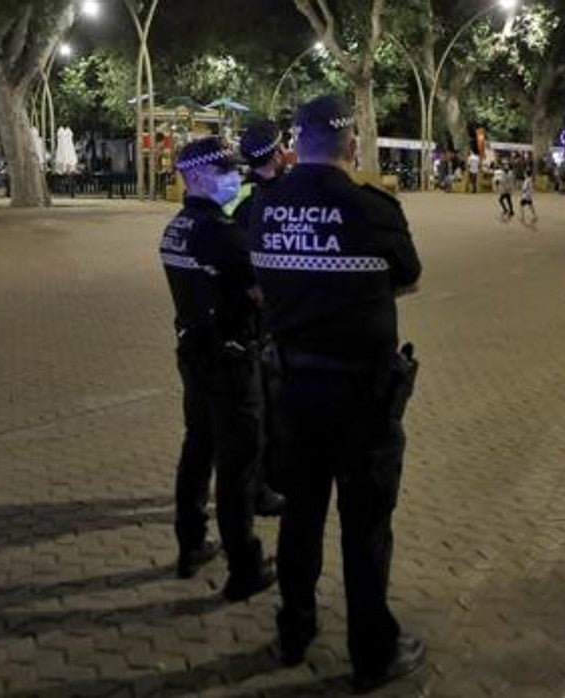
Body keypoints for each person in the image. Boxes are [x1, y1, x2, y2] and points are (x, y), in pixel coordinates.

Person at [247, 95, 425, 692]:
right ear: (351, 144)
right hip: (362, 400)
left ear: (297, 143)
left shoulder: (264, 206)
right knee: (365, 526)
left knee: (300, 517)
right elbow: (409, 277)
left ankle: (294, 630)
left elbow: (260, 283)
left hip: (294, 391)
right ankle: (371, 650)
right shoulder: (371, 208)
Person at [158, 136, 277, 600]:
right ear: (200, 177)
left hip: (193, 354)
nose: (235, 178)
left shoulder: (176, 228)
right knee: (238, 465)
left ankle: (191, 544)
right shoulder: (222, 234)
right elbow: (260, 293)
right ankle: (243, 565)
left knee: (197, 450)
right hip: (230, 360)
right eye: (226, 172)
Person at [223, 119, 290, 518]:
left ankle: (258, 482)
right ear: (277, 153)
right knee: (265, 407)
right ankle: (261, 487)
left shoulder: (241, 195)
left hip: (242, 313)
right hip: (266, 316)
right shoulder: (279, 196)